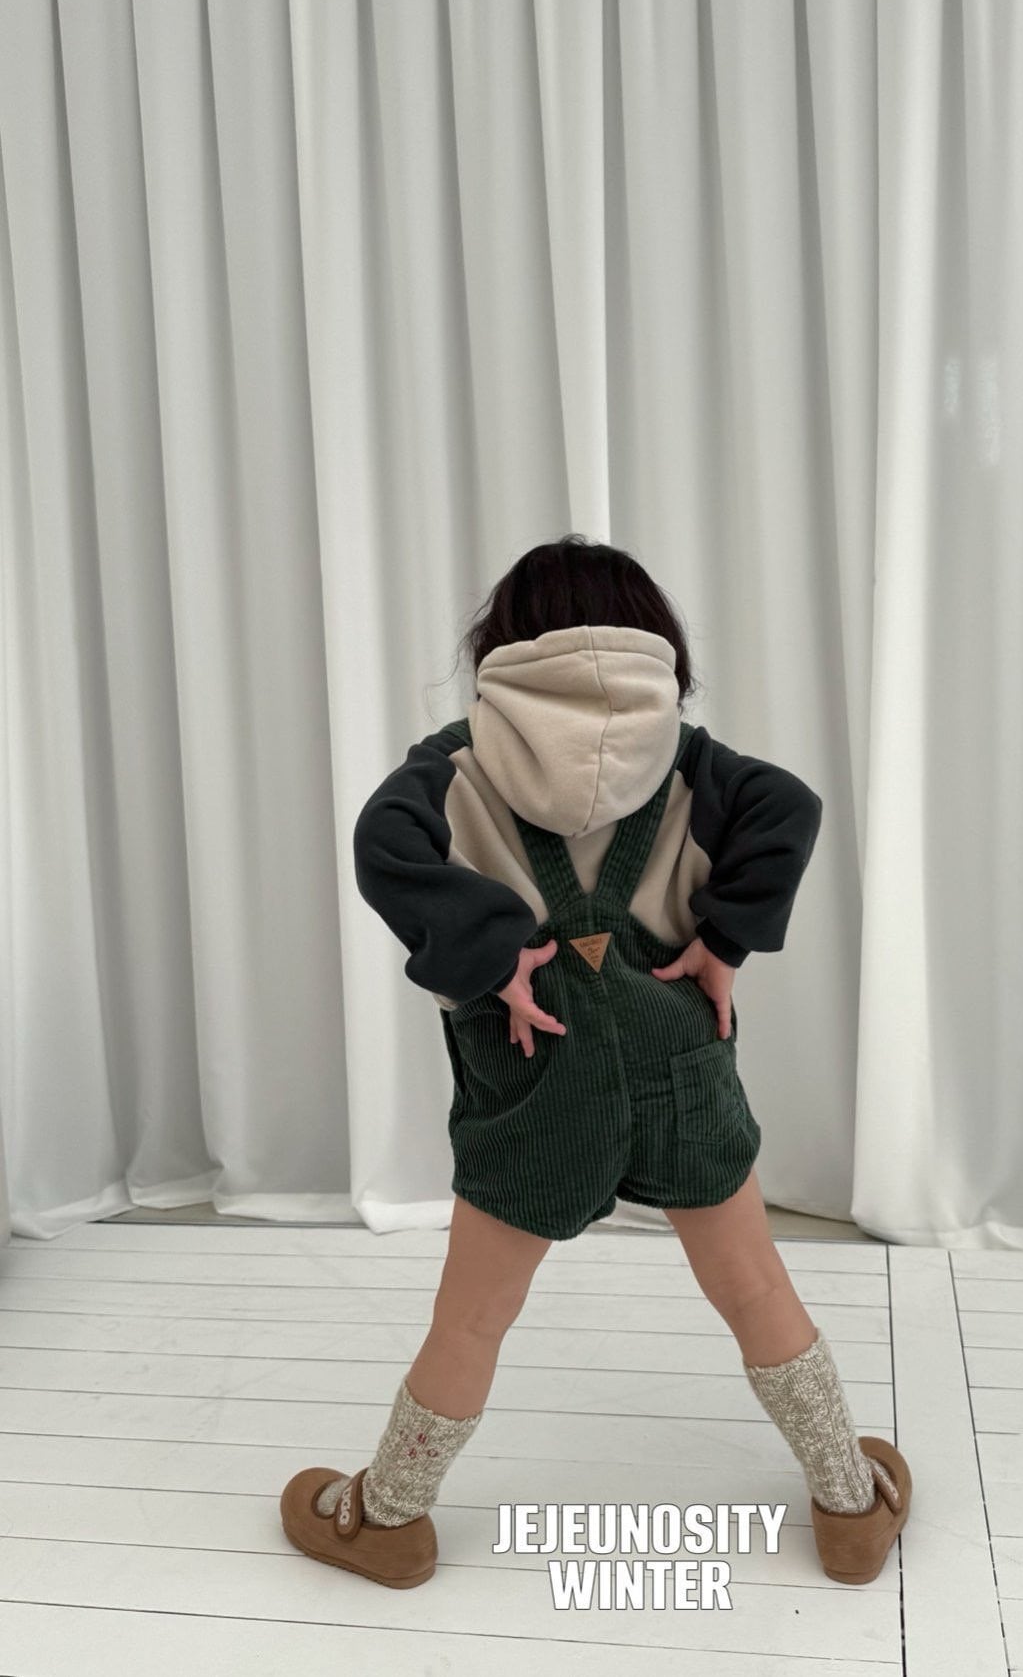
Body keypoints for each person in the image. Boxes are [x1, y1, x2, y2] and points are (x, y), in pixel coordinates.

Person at [280, 534, 911, 1589]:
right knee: (754, 1285)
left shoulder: (454, 766)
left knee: (472, 1315)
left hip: (535, 1070)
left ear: (501, 644)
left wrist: (496, 957)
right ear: (653, 639)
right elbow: (789, 807)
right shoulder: (690, 757)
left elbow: (382, 846)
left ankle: (386, 1516)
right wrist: (724, 939)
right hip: (679, 1057)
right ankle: (849, 1502)